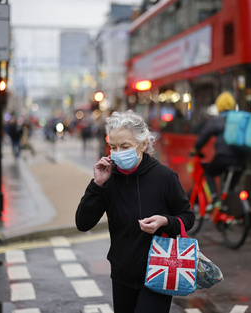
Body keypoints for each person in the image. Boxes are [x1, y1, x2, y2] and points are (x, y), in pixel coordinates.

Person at [76, 110, 195, 313]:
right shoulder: (108, 179)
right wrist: (96, 184)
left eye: (125, 146)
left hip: (159, 271)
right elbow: (83, 223)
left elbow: (187, 217)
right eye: (113, 147)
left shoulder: (164, 177)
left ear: (143, 144)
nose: (118, 152)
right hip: (121, 276)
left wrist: (165, 221)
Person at [191, 91, 248, 207]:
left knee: (209, 173)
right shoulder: (241, 119)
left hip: (224, 158)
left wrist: (195, 150)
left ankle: (215, 200)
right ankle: (229, 201)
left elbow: (203, 137)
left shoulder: (217, 120)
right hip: (242, 160)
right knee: (230, 185)